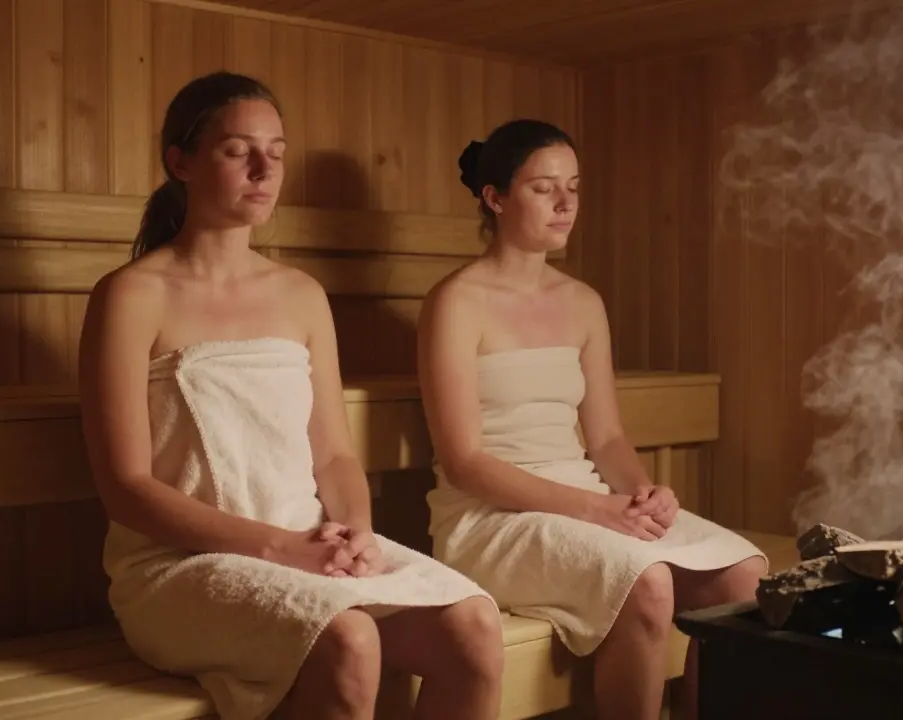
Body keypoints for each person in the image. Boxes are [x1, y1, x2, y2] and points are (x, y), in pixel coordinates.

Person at [77, 70, 503, 720]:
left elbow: (333, 455)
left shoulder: (301, 295)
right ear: (180, 162)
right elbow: (125, 486)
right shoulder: (132, 295)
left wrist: (356, 534)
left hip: (311, 548)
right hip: (182, 568)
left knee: (475, 628)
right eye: (237, 150)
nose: (263, 168)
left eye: (276, 152)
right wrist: (280, 549)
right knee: (349, 639)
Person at [417, 118, 768, 720]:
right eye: (543, 188)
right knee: (649, 580)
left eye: (574, 187)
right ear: (495, 197)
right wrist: (600, 509)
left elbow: (605, 437)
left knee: (746, 576)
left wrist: (643, 492)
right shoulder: (456, 302)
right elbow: (465, 462)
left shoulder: (582, 302)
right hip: (492, 519)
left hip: (588, 502)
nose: (564, 204)